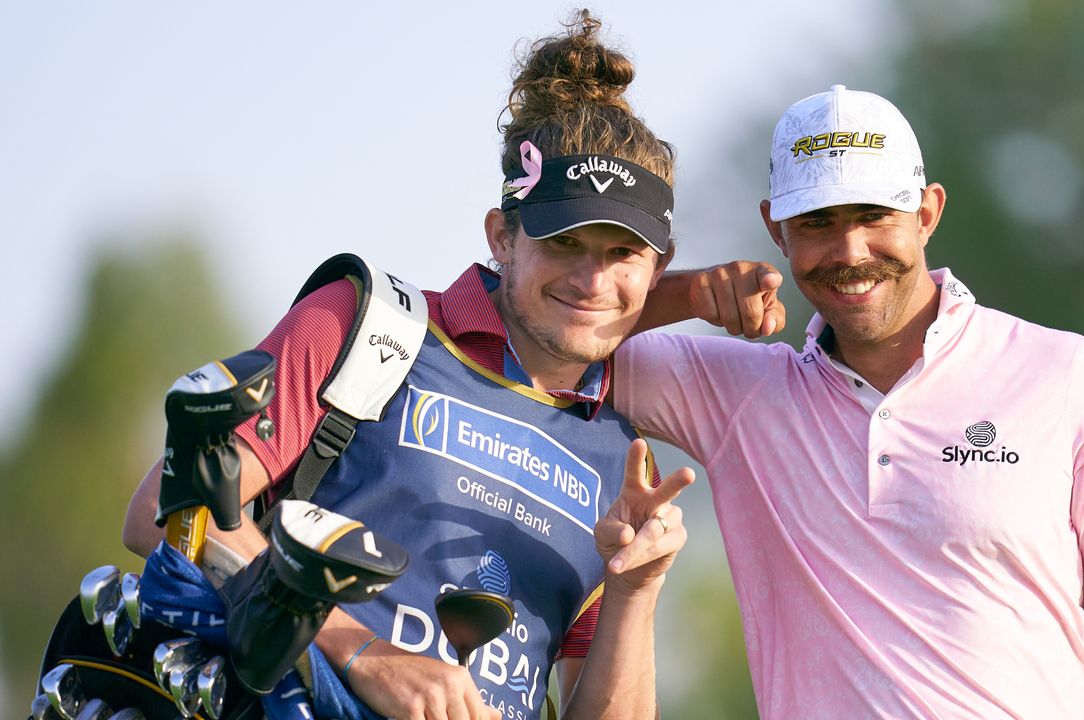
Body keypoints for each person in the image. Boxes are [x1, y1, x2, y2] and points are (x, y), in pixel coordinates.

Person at [123, 12, 693, 720]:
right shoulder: (369, 327)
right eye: (565, 241)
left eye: (621, 253)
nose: (592, 280)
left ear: (656, 266)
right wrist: (361, 650)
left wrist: (637, 589)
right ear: (502, 237)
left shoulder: (619, 453)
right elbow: (165, 510)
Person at [613, 85, 1084, 718]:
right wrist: (684, 294)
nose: (850, 252)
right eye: (818, 221)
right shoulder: (737, 397)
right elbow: (560, 331)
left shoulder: (1063, 373)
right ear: (776, 228)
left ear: (927, 213)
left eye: (875, 215)